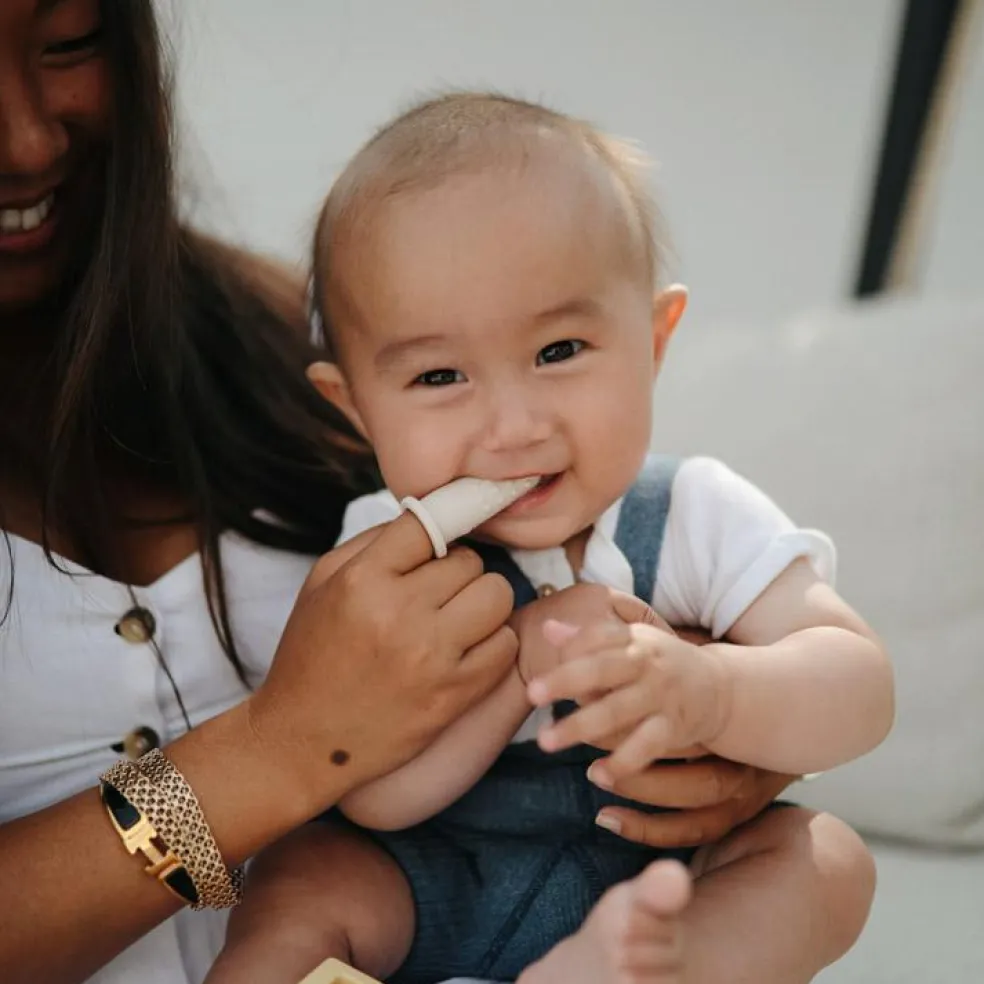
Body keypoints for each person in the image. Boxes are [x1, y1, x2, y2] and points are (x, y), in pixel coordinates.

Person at [0, 5, 799, 984]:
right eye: (443, 377)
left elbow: (795, 662)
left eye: (70, 41)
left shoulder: (286, 339)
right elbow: (351, 774)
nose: (28, 138)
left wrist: (734, 716)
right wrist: (279, 753)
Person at [205, 93, 891, 984]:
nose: (514, 427)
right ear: (357, 407)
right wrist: (518, 668)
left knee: (826, 860)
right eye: (440, 376)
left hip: (658, 887)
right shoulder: (384, 554)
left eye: (559, 351)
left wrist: (714, 691)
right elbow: (374, 794)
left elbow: (859, 686)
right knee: (301, 879)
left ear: (654, 340)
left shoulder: (692, 510)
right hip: (430, 881)